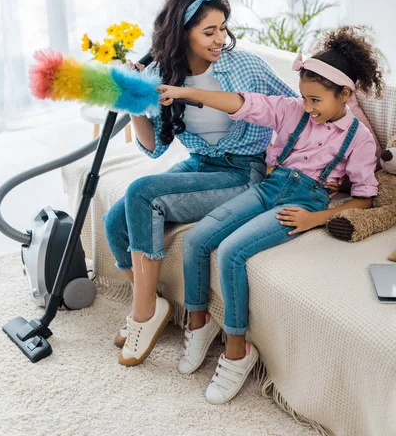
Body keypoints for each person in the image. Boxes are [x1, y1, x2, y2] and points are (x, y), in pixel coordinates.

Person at [158, 25, 383, 404]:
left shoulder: (359, 138)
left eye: (316, 101)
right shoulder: (291, 110)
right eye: (304, 99)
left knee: (231, 253)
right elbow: (239, 102)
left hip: (307, 201)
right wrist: (182, 92)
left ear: (345, 94)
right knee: (197, 239)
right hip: (268, 185)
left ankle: (236, 350)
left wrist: (317, 219)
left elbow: (364, 198)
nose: (308, 109)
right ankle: (198, 324)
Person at [103, 0, 300, 367]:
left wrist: (286, 164)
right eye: (209, 31)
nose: (219, 39)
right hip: (199, 166)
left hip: (243, 171)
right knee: (115, 222)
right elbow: (155, 147)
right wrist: (134, 102)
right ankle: (151, 302)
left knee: (142, 193)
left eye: (223, 29)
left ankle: (142, 313)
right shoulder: (162, 72)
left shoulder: (244, 66)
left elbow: (293, 110)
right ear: (183, 32)